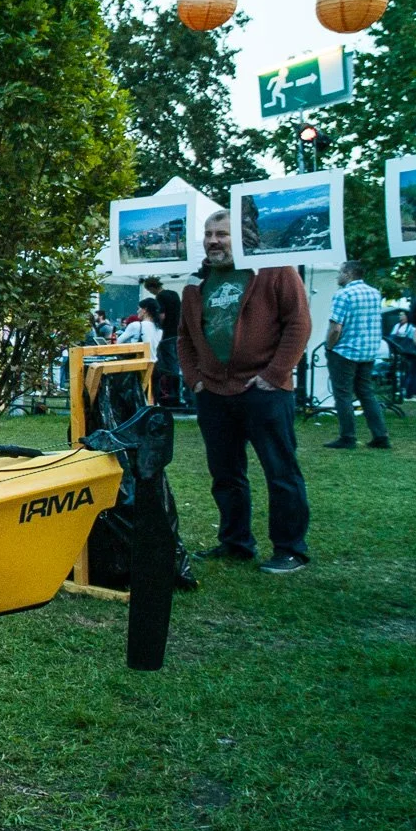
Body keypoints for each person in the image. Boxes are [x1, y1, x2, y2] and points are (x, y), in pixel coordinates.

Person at [178, 210, 311, 573]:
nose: (213, 241)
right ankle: (235, 542)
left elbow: (298, 322)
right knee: (225, 474)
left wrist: (275, 373)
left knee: (280, 472)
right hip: (214, 393)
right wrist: (195, 379)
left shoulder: (274, 270)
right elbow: (185, 337)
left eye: (222, 233)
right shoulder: (197, 282)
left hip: (263, 390)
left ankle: (290, 549)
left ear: (243, 237)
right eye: (208, 234)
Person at [323, 260, 391, 450]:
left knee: (343, 394)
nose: (338, 276)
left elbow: (335, 327)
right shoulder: (374, 293)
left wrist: (329, 347)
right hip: (368, 351)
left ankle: (348, 436)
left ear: (349, 273)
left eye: (340, 273)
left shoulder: (343, 295)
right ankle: (380, 435)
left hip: (345, 351)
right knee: (366, 393)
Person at [142, 276, 185, 406]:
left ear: (152, 287)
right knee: (177, 362)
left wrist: (156, 326)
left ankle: (171, 393)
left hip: (166, 335)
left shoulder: (160, 298)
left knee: (168, 364)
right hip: (178, 333)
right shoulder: (174, 294)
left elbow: (162, 315)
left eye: (150, 291)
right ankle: (179, 393)